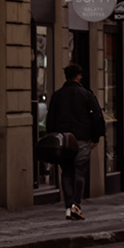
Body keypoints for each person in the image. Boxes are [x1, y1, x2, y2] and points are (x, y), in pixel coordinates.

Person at [46, 64, 106, 220]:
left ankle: (68, 207)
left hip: (64, 140)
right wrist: (96, 137)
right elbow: (97, 117)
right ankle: (76, 205)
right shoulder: (86, 94)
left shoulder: (58, 96)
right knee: (79, 172)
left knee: (66, 172)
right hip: (82, 139)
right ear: (78, 76)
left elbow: (50, 119)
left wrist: (52, 137)